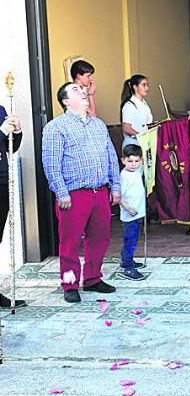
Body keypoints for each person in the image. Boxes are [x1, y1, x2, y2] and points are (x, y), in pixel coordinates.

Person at [42, 82, 121, 303]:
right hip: (74, 194)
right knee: (70, 242)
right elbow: (51, 164)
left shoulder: (98, 125)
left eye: (82, 89)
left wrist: (115, 186)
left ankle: (93, 279)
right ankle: (70, 283)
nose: (83, 92)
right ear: (66, 101)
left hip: (100, 192)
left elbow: (111, 158)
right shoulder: (55, 127)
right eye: (76, 90)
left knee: (100, 238)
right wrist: (61, 191)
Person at [0, 104, 25, 308]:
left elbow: (10, 147)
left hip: (1, 180)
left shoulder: (0, 110)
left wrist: (16, 131)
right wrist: (2, 130)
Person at [118, 144, 147, 281]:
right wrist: (128, 208)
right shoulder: (123, 176)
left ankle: (127, 260)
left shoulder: (137, 171)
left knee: (133, 239)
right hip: (130, 215)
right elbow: (119, 196)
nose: (134, 164)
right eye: (130, 161)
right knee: (130, 241)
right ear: (123, 160)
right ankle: (128, 266)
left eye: (136, 161)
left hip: (138, 213)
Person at [121, 74, 153, 149]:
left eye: (147, 85)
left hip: (144, 143)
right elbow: (126, 128)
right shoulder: (129, 105)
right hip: (133, 145)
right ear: (135, 87)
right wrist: (142, 136)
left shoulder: (144, 104)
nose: (147, 88)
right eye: (144, 85)